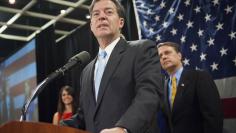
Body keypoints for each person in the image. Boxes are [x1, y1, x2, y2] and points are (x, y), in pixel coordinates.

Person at [76, 0, 164, 133]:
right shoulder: (87, 71)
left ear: (121, 22)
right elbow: (85, 116)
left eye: (109, 12)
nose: (102, 16)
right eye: (96, 14)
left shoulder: (141, 50)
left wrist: (123, 128)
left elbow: (149, 94)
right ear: (91, 25)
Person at [157, 42, 223, 133]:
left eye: (167, 52)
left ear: (179, 56)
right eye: (160, 56)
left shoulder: (199, 77)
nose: (163, 57)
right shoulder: (162, 87)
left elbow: (213, 116)